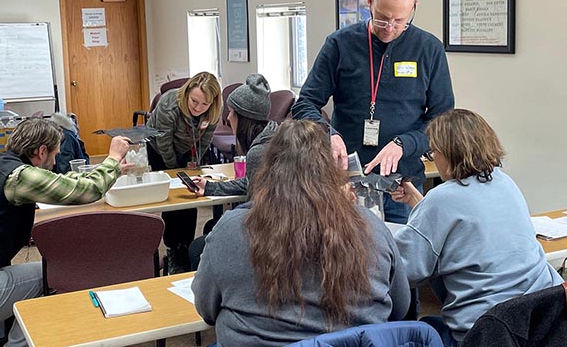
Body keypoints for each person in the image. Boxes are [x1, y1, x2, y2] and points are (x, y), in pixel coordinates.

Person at [192, 120, 410, 347]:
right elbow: (399, 306)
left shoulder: (231, 230)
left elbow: (206, 309)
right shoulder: (371, 227)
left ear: (267, 169)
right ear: (332, 171)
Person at [292, 0, 454, 224]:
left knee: (402, 261)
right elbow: (305, 104)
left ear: (414, 7)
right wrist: (327, 134)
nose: (389, 27)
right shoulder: (340, 44)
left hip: (402, 187)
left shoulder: (429, 49)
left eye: (400, 20)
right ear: (369, 1)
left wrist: (405, 144)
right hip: (346, 185)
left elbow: (442, 121)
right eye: (382, 17)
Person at [392, 109, 563, 347]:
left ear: (448, 154)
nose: (433, 158)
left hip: (485, 332)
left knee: (413, 332)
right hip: (538, 323)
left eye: (433, 152)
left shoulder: (441, 199)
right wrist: (416, 203)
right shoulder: (504, 181)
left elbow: (406, 270)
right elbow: (462, 225)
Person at [0, 118, 131, 347]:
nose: (55, 162)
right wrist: (113, 158)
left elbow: (58, 181)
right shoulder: (19, 177)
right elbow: (86, 191)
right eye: (54, 154)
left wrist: (109, 171)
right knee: (58, 273)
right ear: (42, 151)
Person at [188, 73, 278, 269]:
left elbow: (255, 208)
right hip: (283, 226)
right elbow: (252, 183)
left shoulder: (259, 151)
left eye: (231, 112)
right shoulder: (274, 135)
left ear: (244, 118)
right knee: (212, 226)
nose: (227, 118)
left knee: (197, 248)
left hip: (272, 235)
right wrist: (210, 188)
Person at [146, 72, 222, 274]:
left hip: (189, 149)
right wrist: (175, 171)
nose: (197, 108)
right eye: (194, 101)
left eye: (204, 104)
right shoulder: (169, 104)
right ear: (187, 92)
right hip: (160, 148)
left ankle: (185, 247)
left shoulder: (213, 110)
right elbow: (164, 142)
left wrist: (194, 164)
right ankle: (172, 249)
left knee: (190, 194)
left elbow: (205, 140)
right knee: (172, 196)